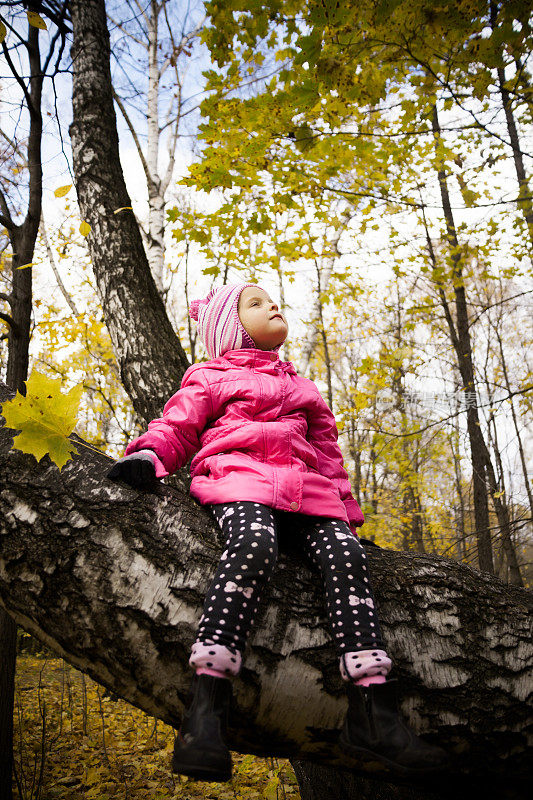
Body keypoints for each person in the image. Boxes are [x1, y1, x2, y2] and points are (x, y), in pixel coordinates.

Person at [107, 282, 447, 782]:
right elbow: (177, 427)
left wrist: (348, 518)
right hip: (240, 481)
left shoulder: (302, 387)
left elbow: (329, 459)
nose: (273, 305)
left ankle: (372, 711)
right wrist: (149, 456)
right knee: (253, 546)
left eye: (272, 299)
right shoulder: (211, 374)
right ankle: (207, 709)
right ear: (233, 328)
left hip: (308, 493)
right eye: (256, 303)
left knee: (347, 557)